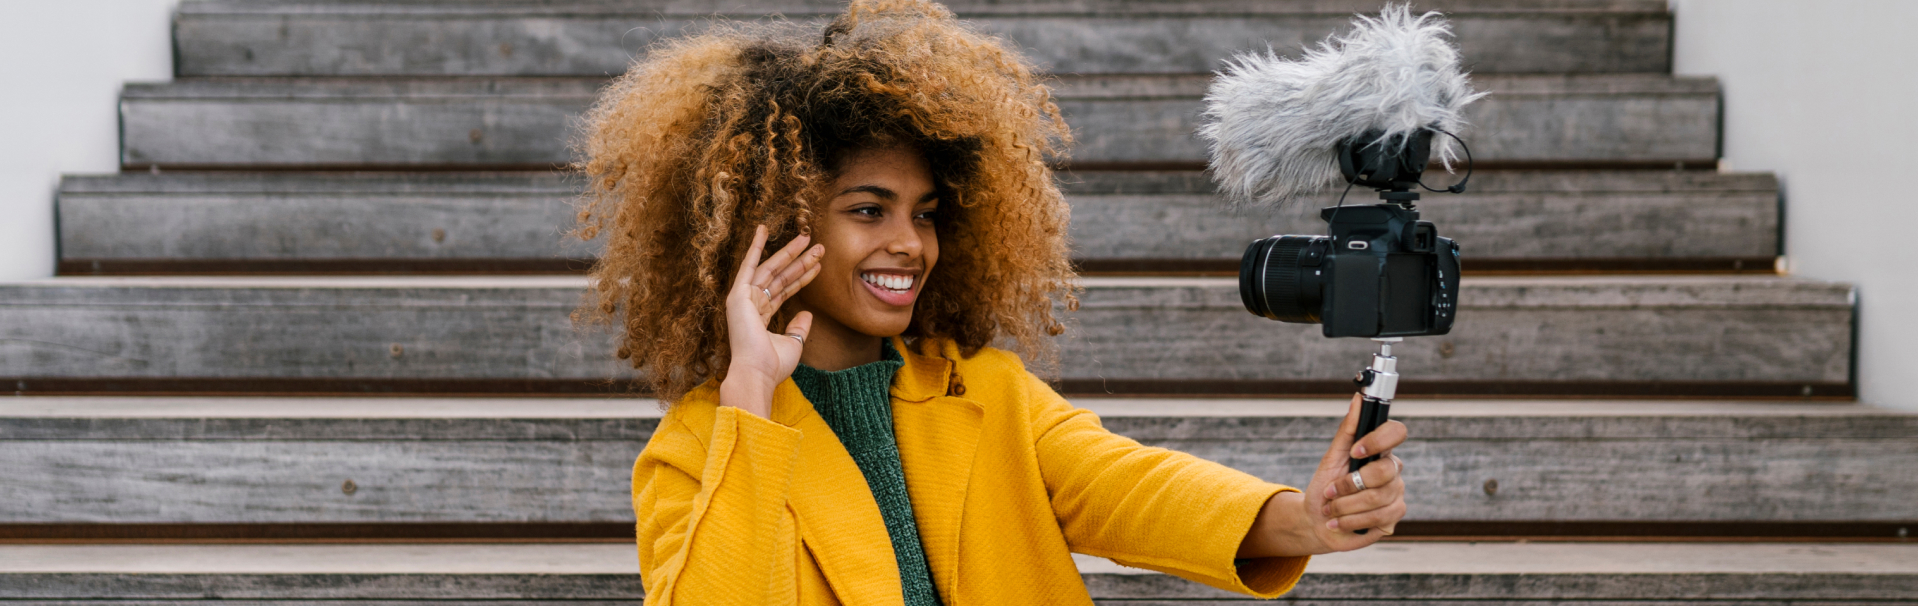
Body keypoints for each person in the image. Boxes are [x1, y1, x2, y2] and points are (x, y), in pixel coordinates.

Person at [572, 1, 1407, 603]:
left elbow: (1132, 489)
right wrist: (750, 393)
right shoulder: (696, 449)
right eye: (869, 210)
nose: (909, 242)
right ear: (776, 230)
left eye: (926, 214)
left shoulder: (988, 393)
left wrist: (1305, 517)